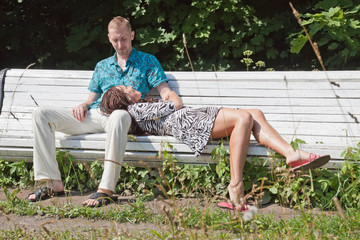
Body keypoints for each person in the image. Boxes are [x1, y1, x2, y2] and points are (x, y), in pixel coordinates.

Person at [28, 16, 183, 207]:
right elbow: (90, 99)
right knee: (41, 114)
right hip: (97, 115)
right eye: (115, 40)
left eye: (124, 39)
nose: (120, 44)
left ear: (132, 35)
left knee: (118, 115)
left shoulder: (148, 61)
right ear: (109, 39)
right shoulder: (102, 66)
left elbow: (164, 91)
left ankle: (105, 190)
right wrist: (83, 105)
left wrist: (174, 100)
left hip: (125, 116)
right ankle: (52, 182)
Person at [99, 85, 331, 211]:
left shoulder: (139, 107)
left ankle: (292, 155)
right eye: (125, 88)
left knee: (255, 114)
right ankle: (235, 186)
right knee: (243, 118)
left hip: (192, 117)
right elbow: (175, 104)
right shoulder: (135, 110)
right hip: (188, 122)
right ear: (124, 99)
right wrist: (171, 95)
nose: (131, 86)